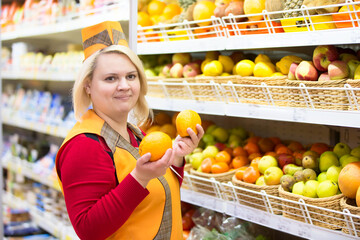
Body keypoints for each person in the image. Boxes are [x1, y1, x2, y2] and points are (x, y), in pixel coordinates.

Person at [55, 21, 204, 240]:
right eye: (111, 78)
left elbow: (157, 196)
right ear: (87, 85)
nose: (124, 85)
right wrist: (139, 178)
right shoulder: (85, 145)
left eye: (130, 76)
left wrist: (176, 158)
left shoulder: (134, 134)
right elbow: (89, 230)